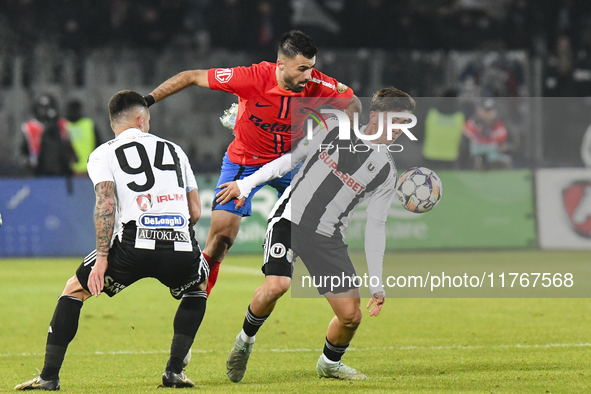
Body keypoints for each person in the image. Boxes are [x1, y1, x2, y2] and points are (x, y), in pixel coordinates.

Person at [215, 88, 416, 382]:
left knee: (351, 316)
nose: (400, 130)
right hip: (290, 221)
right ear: (374, 116)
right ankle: (245, 340)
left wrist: (377, 279)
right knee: (277, 286)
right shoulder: (334, 130)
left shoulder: (386, 170)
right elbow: (288, 161)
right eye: (396, 121)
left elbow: (376, 225)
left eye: (405, 124)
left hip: (328, 238)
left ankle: (329, 364)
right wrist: (246, 186)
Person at [14, 91, 209, 390]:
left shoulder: (104, 153)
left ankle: (49, 377)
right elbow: (194, 211)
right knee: (197, 287)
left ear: (113, 123)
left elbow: (106, 203)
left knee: (74, 290)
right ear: (142, 118)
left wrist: (102, 259)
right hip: (180, 243)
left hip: (132, 246)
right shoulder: (175, 150)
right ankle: (173, 372)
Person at [145, 30, 361, 296]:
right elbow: (191, 76)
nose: (308, 75)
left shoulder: (320, 85)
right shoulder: (251, 78)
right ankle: (198, 293)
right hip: (244, 162)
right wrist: (147, 101)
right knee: (222, 236)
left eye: (312, 68)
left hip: (289, 164)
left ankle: (294, 273)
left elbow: (352, 103)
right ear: (281, 64)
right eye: (302, 68)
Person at [20, 94, 76, 176]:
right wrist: (27, 161)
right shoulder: (30, 127)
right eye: (42, 108)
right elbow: (22, 152)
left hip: (62, 170)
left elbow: (70, 147)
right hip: (37, 171)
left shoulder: (62, 124)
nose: (45, 111)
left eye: (49, 108)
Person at [461, 97, 512, 169]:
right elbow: (463, 148)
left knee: (505, 161)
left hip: (495, 159)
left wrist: (506, 147)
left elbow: (514, 145)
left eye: (491, 110)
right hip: (474, 160)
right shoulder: (471, 125)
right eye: (485, 111)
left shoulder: (503, 125)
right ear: (479, 110)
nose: (489, 114)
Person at [421, 88, 465, 169]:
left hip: (430, 155)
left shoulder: (431, 114)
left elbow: (419, 132)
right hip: (450, 157)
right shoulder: (460, 117)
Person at [64, 99, 102, 175]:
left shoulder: (89, 124)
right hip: (72, 171)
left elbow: (99, 145)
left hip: (88, 170)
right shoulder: (64, 125)